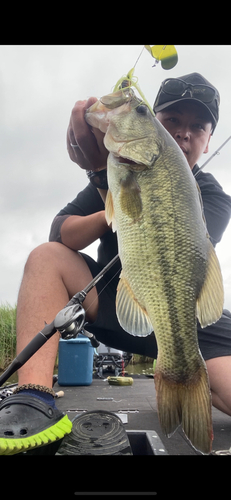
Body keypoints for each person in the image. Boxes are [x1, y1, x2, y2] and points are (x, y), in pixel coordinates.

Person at [0, 72, 231, 455]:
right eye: (171, 120)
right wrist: (106, 190)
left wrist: (112, 188)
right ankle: (34, 400)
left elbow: (189, 253)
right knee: (45, 257)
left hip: (188, 317)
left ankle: (188, 387)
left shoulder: (213, 194)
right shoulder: (116, 170)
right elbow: (61, 233)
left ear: (207, 142)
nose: (184, 133)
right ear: (155, 122)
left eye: (198, 126)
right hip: (116, 304)